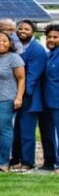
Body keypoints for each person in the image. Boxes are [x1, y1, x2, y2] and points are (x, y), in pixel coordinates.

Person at [0, 32, 25, 172]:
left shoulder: (14, 58)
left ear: (10, 43)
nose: (1, 43)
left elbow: (21, 79)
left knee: (4, 131)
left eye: (4, 41)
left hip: (6, 100)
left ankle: (3, 162)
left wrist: (18, 97)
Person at [14, 20, 49, 172]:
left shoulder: (37, 50)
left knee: (27, 131)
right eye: (20, 28)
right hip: (20, 96)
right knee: (18, 130)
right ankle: (18, 158)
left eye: (26, 29)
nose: (22, 31)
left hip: (30, 97)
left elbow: (32, 77)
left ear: (33, 31)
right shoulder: (20, 47)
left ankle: (28, 161)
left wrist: (20, 95)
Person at [44, 25, 59, 173]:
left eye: (55, 37)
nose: (51, 40)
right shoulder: (49, 55)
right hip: (49, 101)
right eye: (49, 37)